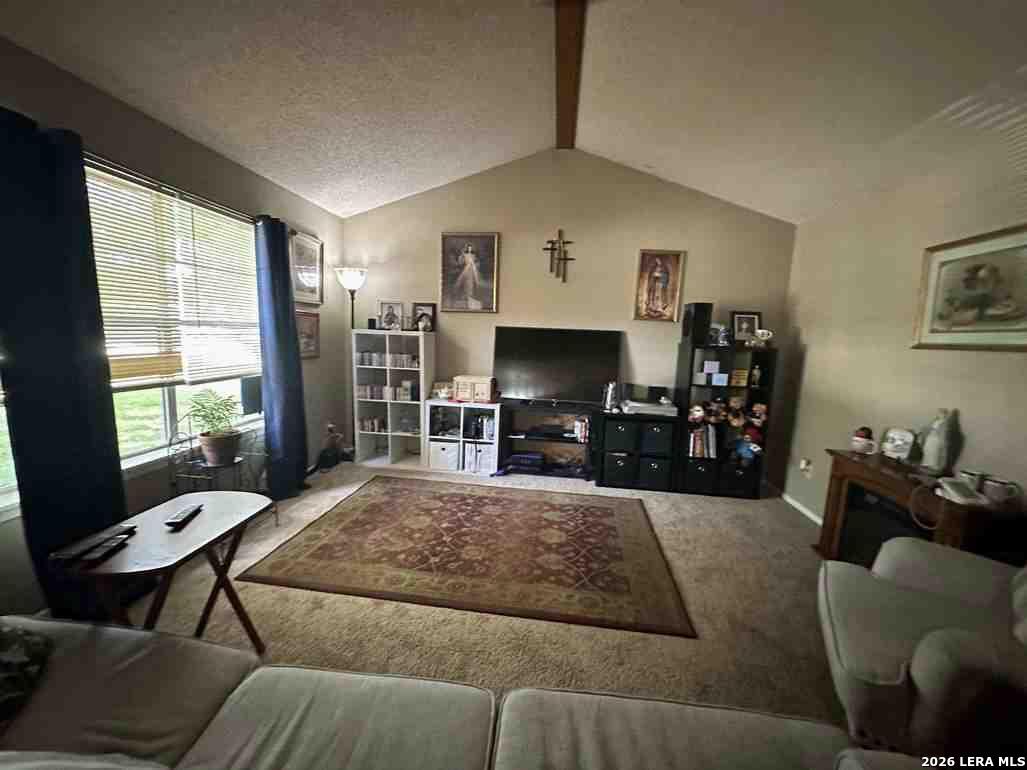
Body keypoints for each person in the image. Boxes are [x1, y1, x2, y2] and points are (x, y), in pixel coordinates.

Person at [454, 242, 481, 309]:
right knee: (464, 281)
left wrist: (475, 264)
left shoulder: (473, 255)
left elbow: (476, 262)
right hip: (466, 269)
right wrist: (462, 256)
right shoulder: (464, 255)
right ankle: (465, 295)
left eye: (470, 248)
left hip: (472, 269)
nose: (469, 249)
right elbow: (460, 262)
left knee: (471, 282)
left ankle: (470, 295)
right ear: (467, 248)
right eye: (468, 248)